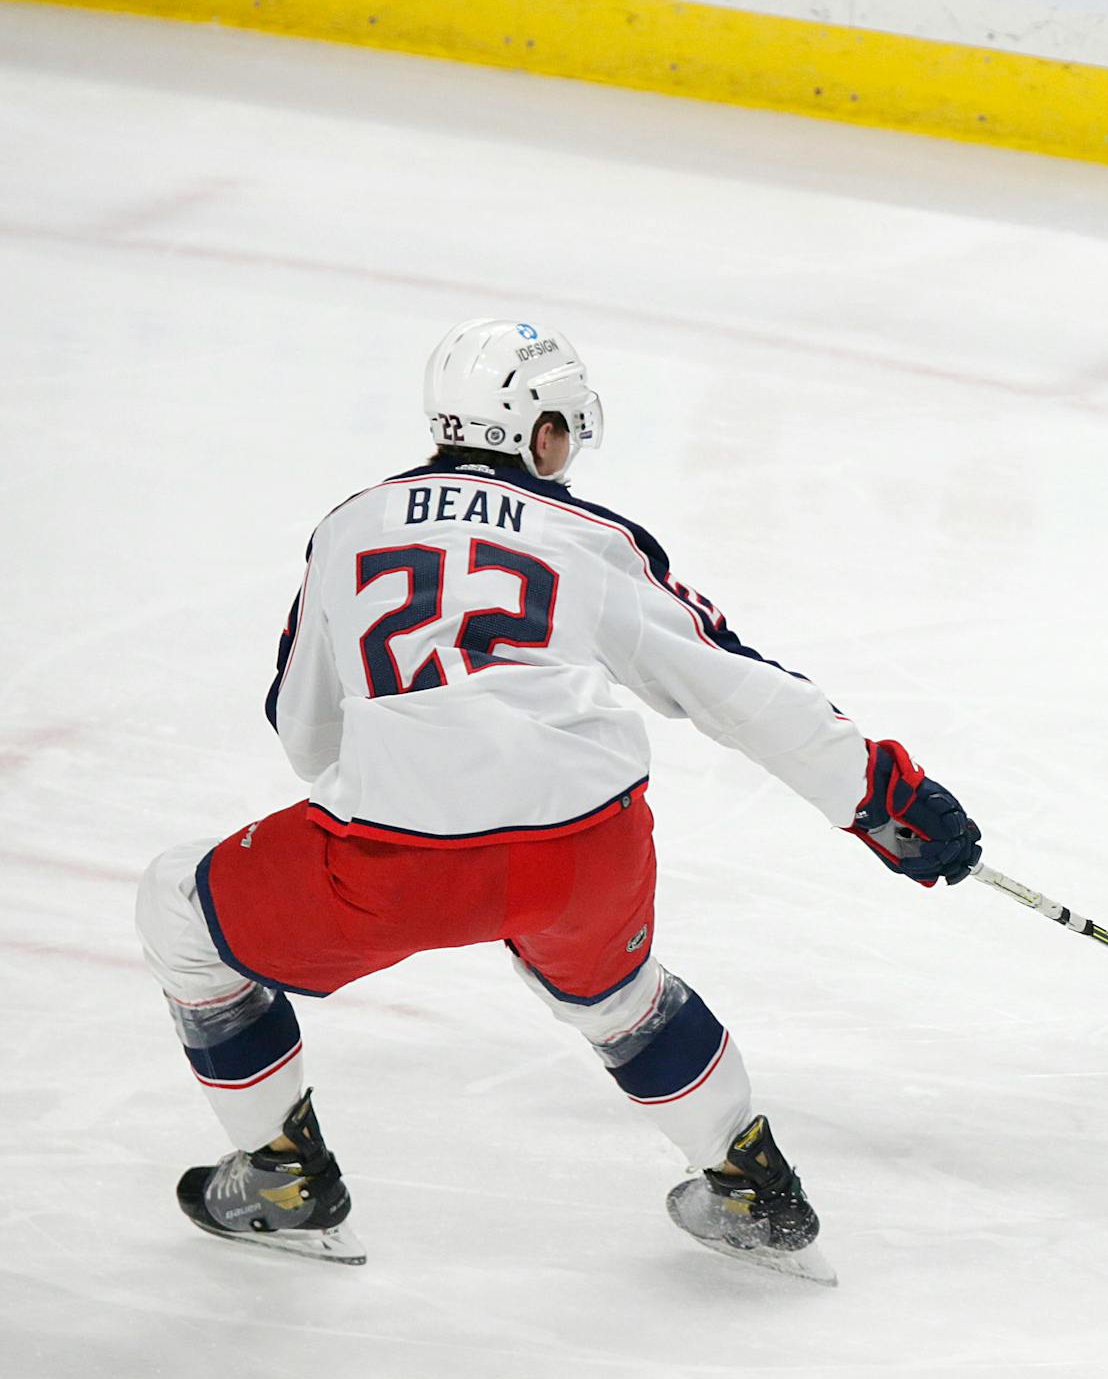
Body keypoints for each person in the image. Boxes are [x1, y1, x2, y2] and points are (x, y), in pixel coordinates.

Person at [135, 318, 982, 1278]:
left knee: (179, 907)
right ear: (536, 432)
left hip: (396, 860)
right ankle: (751, 1185)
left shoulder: (349, 525)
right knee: (619, 994)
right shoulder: (589, 539)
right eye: (564, 431)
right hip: (587, 849)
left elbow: (306, 738)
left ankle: (283, 1173)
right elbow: (734, 687)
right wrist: (877, 797)